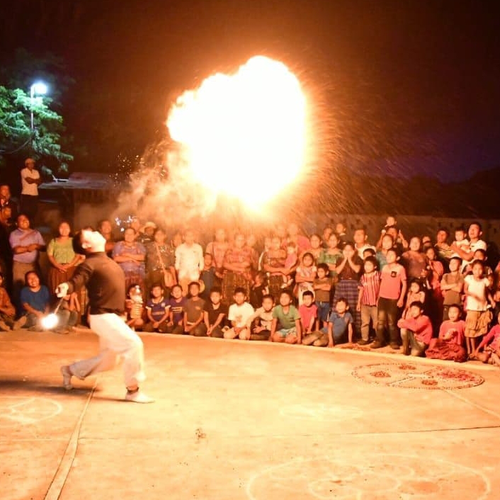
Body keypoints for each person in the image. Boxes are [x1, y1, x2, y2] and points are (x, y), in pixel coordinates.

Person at [57, 228, 154, 403]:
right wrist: (66, 287)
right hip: (102, 316)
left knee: (109, 360)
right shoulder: (88, 264)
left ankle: (70, 370)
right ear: (86, 245)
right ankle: (133, 391)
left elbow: (108, 289)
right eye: (90, 234)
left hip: (113, 316)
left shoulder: (107, 261)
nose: (95, 232)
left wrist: (123, 305)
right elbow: (77, 280)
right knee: (134, 345)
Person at [374, 247, 407, 349]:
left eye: (392, 255)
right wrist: (378, 297)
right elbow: (382, 283)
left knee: (392, 322)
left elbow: (404, 284)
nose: (389, 257)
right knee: (380, 321)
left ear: (397, 257)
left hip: (393, 298)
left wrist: (401, 299)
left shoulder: (400, 268)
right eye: (388, 255)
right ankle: (379, 340)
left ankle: (394, 341)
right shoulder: (384, 268)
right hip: (383, 297)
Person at [9, 214, 45, 305]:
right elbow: (16, 250)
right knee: (19, 287)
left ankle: (36, 308)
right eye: (21, 220)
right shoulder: (14, 234)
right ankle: (20, 311)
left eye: (26, 219)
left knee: (35, 287)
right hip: (20, 265)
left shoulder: (36, 233)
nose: (25, 221)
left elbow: (44, 247)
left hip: (33, 265)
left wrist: (36, 245)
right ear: (17, 223)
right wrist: (28, 248)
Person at [463, 260, 494, 356]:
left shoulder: (485, 281)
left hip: (483, 307)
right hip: (472, 308)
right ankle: (473, 350)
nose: (477, 271)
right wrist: (472, 294)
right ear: (472, 269)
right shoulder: (469, 278)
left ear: (483, 270)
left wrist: (492, 300)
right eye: (475, 269)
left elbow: (487, 292)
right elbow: (465, 290)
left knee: (483, 329)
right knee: (472, 330)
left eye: (480, 269)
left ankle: (483, 348)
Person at [46, 221, 80, 299]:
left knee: (72, 291)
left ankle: (72, 310)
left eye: (66, 227)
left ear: (70, 229)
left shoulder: (74, 241)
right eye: (62, 227)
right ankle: (57, 309)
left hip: (71, 270)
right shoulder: (53, 241)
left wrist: (69, 265)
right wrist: (58, 265)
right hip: (57, 270)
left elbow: (78, 255)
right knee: (57, 291)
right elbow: (50, 255)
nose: (64, 229)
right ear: (58, 229)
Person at [112, 227, 147, 294]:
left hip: (137, 275)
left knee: (137, 296)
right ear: (124, 235)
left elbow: (142, 257)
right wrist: (132, 259)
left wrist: (128, 255)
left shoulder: (139, 245)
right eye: (127, 234)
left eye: (131, 234)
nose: (129, 236)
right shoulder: (119, 245)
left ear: (134, 235)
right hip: (122, 275)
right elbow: (116, 258)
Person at [145, 227, 176, 296]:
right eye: (157, 234)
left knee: (166, 294)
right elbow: (143, 260)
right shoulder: (148, 247)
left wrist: (174, 280)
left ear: (165, 236)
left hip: (165, 275)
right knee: (153, 294)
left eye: (161, 234)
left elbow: (171, 265)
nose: (159, 236)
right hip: (152, 275)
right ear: (154, 236)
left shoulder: (169, 248)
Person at [357, 256, 380, 345]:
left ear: (375, 267)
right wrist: (359, 303)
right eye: (366, 265)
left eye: (370, 265)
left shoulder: (378, 275)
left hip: (375, 304)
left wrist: (379, 299)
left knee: (377, 323)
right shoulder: (363, 277)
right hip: (365, 304)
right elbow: (361, 290)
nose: (367, 267)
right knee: (365, 322)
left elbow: (382, 287)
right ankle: (365, 338)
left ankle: (379, 339)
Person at [175, 230, 204, 295]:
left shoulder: (198, 247)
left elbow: (201, 260)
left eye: (191, 236)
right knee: (183, 294)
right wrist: (178, 272)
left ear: (194, 237)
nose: (189, 238)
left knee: (194, 294)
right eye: (187, 236)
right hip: (183, 275)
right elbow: (177, 261)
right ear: (184, 237)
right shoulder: (180, 248)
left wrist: (200, 270)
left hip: (194, 274)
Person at [313, 263, 333, 329]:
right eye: (318, 271)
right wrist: (324, 285)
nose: (319, 273)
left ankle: (325, 333)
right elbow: (314, 287)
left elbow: (328, 288)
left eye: (322, 272)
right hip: (317, 301)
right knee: (317, 318)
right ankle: (316, 332)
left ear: (326, 272)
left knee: (325, 319)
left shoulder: (329, 280)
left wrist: (319, 287)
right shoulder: (316, 280)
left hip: (326, 302)